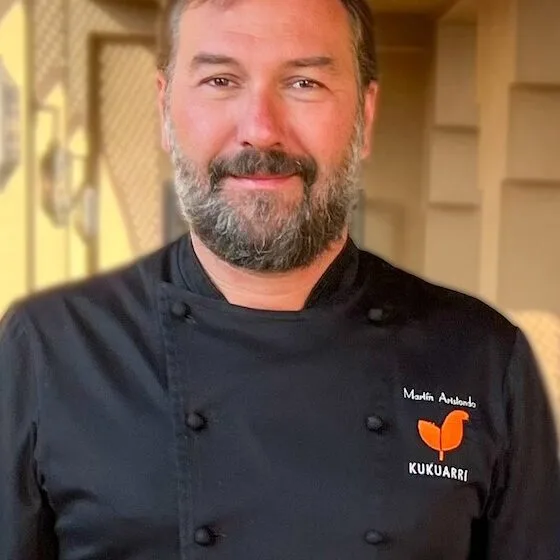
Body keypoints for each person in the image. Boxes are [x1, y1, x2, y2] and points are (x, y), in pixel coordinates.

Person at [1, 0, 559, 557]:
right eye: (221, 81)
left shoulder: (482, 355)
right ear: (164, 110)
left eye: (304, 83)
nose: (261, 131)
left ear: (365, 117)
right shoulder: (50, 347)